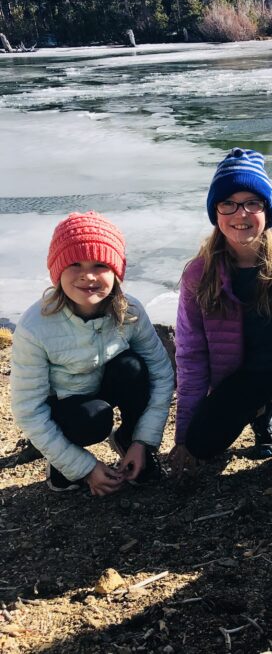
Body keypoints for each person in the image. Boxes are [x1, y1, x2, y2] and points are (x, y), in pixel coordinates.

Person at [170, 148, 272, 483]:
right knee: (201, 445)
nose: (240, 213)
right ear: (215, 211)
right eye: (228, 203)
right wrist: (182, 437)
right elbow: (190, 354)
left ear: (267, 209)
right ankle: (259, 409)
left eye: (252, 202)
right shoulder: (199, 274)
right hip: (244, 375)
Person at [10, 211, 174, 495]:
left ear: (116, 272)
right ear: (57, 269)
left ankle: (128, 441)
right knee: (93, 419)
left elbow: (161, 374)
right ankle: (62, 464)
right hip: (67, 408)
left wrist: (144, 441)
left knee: (133, 367)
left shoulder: (130, 312)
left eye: (100, 265)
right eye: (75, 264)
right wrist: (83, 467)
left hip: (104, 387)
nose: (88, 276)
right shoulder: (35, 325)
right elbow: (29, 409)